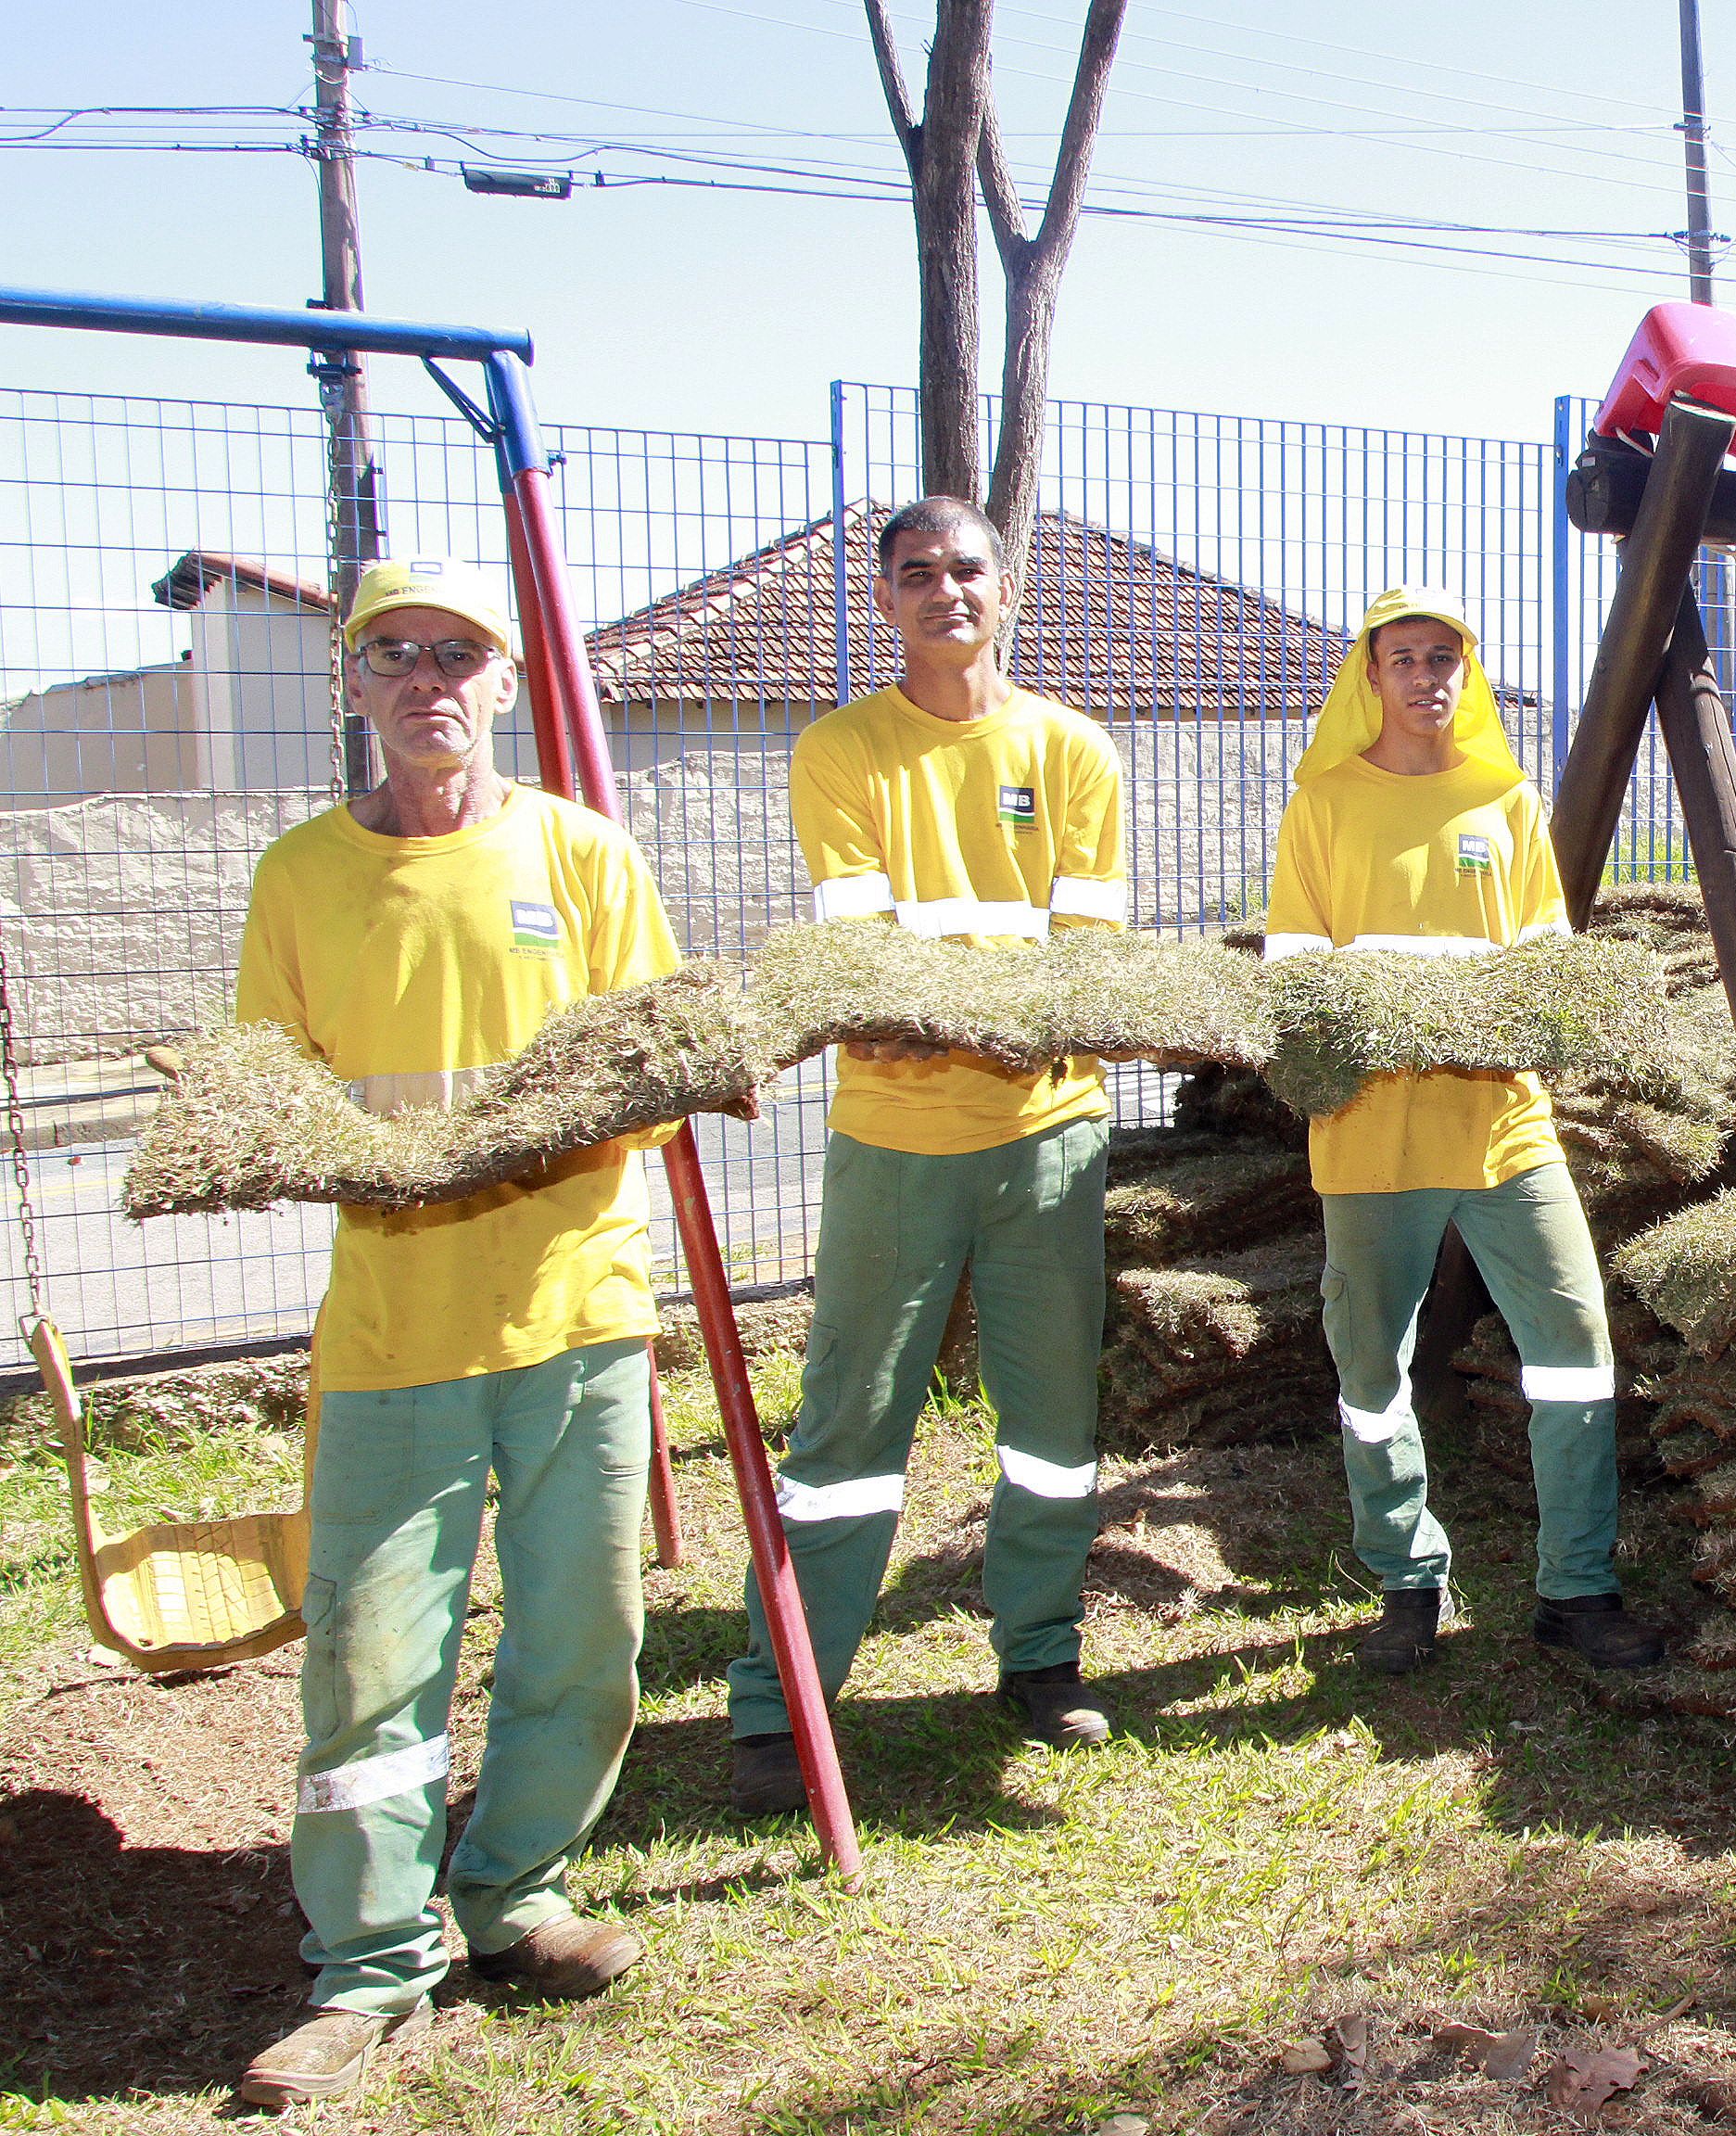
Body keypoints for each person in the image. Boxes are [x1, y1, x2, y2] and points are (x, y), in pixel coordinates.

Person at [234, 557, 679, 2110]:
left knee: (582, 1631)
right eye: (394, 653)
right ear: (355, 681)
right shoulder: (298, 878)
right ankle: (369, 1961)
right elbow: (270, 1087)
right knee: (371, 1659)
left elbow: (656, 1052)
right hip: (395, 1329)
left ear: (502, 681)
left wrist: (561, 1130)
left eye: (457, 653)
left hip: (576, 1309)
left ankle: (515, 1891)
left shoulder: (585, 853)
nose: (427, 678)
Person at [727, 495, 1129, 1814]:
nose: (943, 591)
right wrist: (967, 1015)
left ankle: (1042, 1655)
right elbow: (865, 951)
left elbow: (1089, 951)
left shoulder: (1073, 751)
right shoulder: (842, 752)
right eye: (915, 575)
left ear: (1005, 590)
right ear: (885, 600)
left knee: (1054, 1425)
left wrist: (1017, 1029)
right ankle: (782, 1697)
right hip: (895, 1143)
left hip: (1051, 1139)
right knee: (850, 1422)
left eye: (966, 569)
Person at [1263, 586, 1663, 1675]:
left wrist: (1495, 1013)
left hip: (1505, 1130)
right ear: (1370, 674)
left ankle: (1577, 1590)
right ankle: (1405, 1581)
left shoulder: (1508, 802)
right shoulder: (1325, 804)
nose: (1427, 675)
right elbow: (1294, 972)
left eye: (1446, 656)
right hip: (1369, 1135)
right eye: (1404, 657)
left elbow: (1546, 966)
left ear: (1467, 673)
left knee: (1575, 1355)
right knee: (1370, 1369)